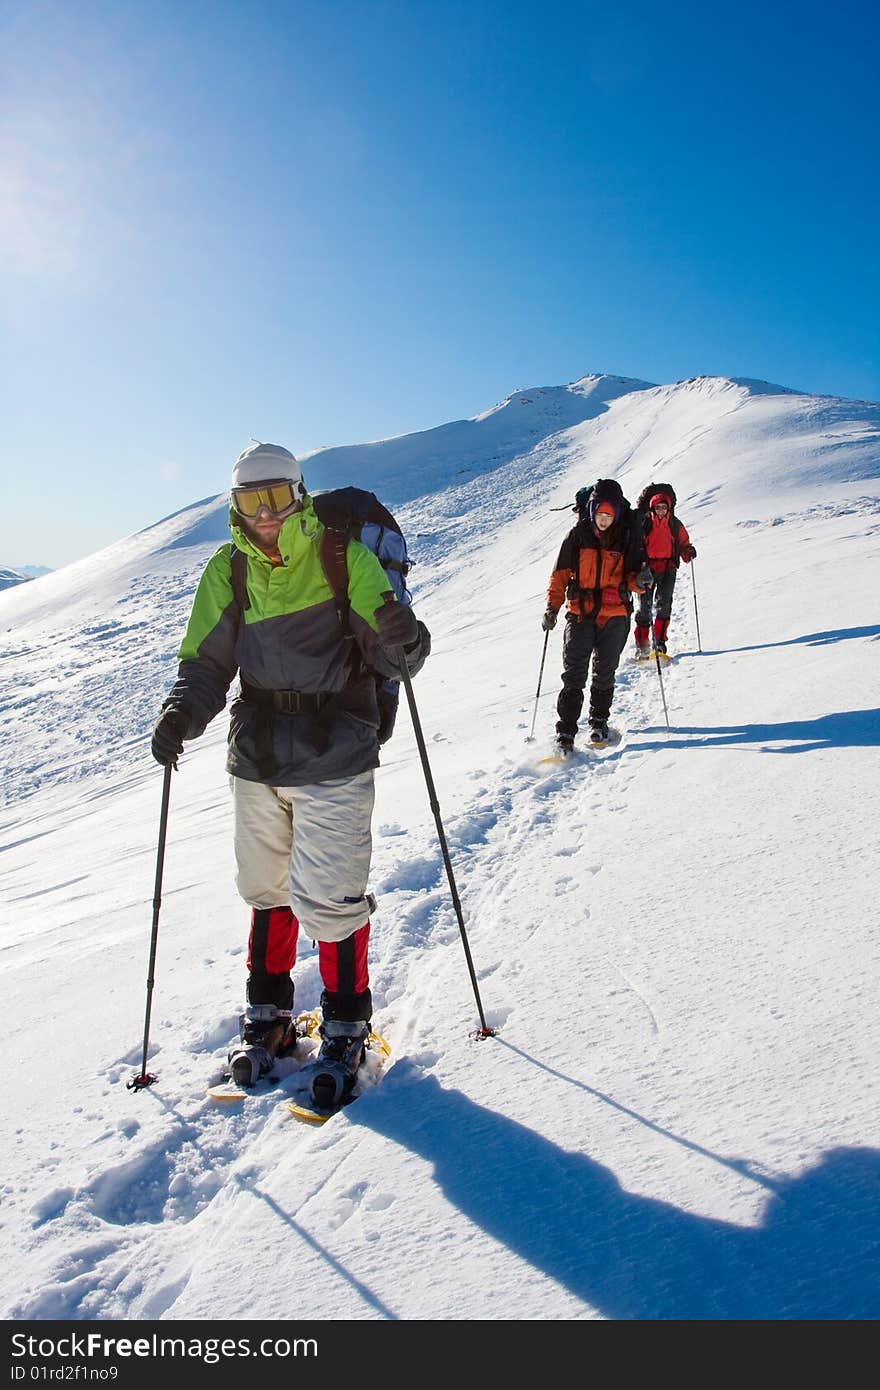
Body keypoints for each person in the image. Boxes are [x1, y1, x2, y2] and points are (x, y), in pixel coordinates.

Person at [150, 442, 431, 1107]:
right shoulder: (228, 570)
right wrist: (181, 712)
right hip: (258, 754)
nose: (265, 515)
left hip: (336, 750)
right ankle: (268, 1015)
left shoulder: (342, 556)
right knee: (266, 888)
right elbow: (206, 662)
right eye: (251, 503)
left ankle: (345, 1024)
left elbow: (399, 660)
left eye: (275, 499)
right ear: (236, 508)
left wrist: (405, 636)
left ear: (299, 496)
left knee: (332, 897)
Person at [542, 478, 649, 752]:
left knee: (604, 673)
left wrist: (642, 581)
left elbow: (634, 579)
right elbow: (560, 577)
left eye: (609, 515)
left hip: (615, 616)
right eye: (600, 514)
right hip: (579, 615)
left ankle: (599, 723)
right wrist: (552, 608)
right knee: (574, 675)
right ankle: (565, 732)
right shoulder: (577, 537)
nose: (604, 520)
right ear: (592, 512)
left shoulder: (626, 537)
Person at [633, 490, 697, 658]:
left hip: (668, 568)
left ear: (669, 508)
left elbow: (683, 542)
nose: (661, 510)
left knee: (664, 605)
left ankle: (659, 643)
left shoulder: (674, 524)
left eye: (664, 507)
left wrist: (687, 551)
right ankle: (642, 646)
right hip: (648, 569)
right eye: (658, 507)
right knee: (644, 608)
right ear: (652, 508)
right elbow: (637, 546)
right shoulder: (645, 524)